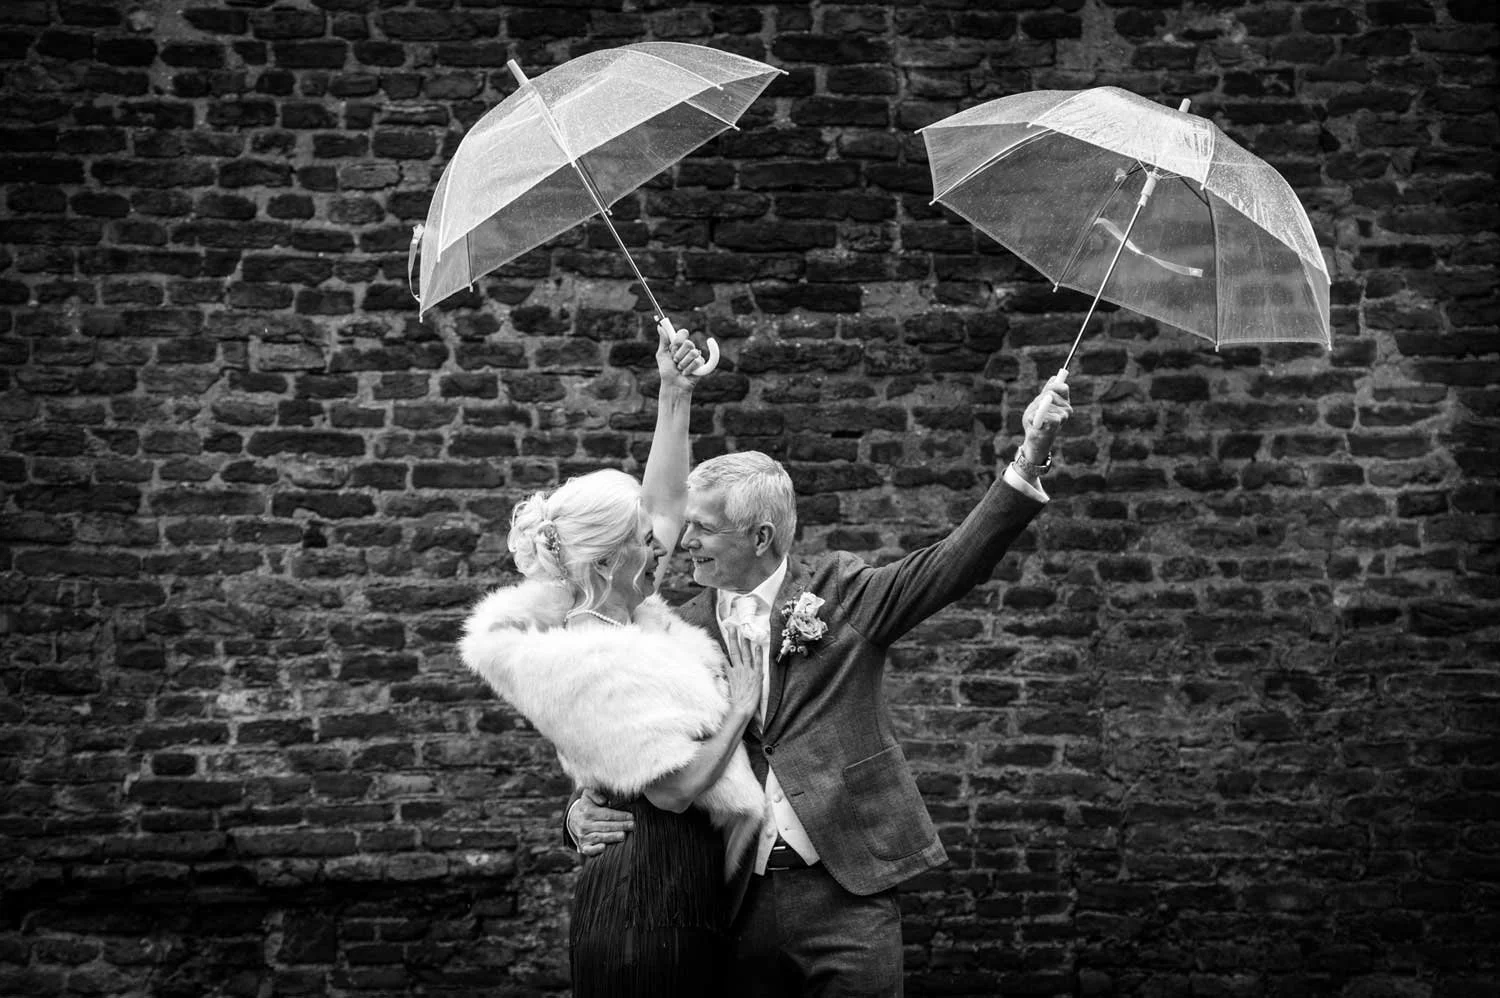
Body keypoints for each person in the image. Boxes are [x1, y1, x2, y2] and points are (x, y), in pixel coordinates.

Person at [568, 371, 1074, 997]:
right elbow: (622, 739)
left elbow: (952, 563)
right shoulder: (676, 628)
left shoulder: (841, 593)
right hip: (731, 901)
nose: (683, 542)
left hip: (849, 892)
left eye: (702, 528)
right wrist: (581, 810)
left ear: (760, 536)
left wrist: (1031, 454)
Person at [459, 321, 767, 997]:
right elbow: (672, 790)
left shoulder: (627, 615)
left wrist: (675, 391)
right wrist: (739, 709)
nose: (664, 544)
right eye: (644, 541)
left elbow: (663, 503)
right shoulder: (592, 660)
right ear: (605, 562)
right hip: (645, 899)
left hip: (680, 882)